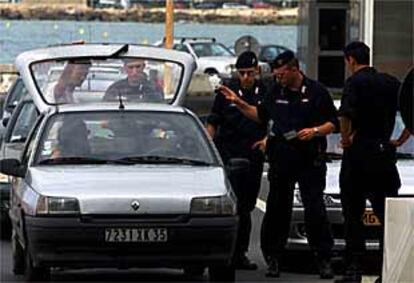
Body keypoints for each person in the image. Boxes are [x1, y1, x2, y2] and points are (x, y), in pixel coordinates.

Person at [219, 50, 337, 279]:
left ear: (294, 70)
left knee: (314, 209)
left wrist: (314, 132)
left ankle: (323, 258)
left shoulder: (316, 92)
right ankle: (273, 258)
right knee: (277, 210)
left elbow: (333, 123)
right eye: (275, 74)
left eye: (281, 74)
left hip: (309, 158)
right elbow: (260, 115)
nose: (277, 77)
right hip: (282, 158)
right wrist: (238, 102)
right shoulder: (275, 91)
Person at [336, 41, 401, 283]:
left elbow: (345, 114)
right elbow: (409, 109)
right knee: (387, 216)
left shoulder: (354, 82)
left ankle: (354, 268)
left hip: (358, 156)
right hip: (384, 155)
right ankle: (389, 269)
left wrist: (345, 139)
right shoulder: (390, 82)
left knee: (353, 215)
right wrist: (399, 139)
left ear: (350, 60)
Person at [206, 51, 267, 270]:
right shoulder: (226, 91)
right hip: (228, 154)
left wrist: (267, 140)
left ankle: (240, 253)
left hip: (253, 155)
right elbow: (213, 121)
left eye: (250, 73)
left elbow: (271, 118)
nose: (246, 77)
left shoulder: (265, 90)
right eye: (242, 73)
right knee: (228, 206)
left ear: (257, 71)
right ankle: (225, 254)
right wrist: (208, 149)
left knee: (246, 207)